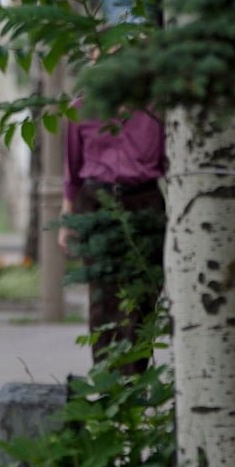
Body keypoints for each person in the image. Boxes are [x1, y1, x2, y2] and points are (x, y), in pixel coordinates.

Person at [58, 106, 166, 375]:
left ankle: (134, 380)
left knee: (143, 294)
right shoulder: (80, 109)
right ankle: (107, 381)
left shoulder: (155, 110)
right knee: (102, 296)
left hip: (143, 201)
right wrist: (67, 218)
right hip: (96, 203)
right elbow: (72, 169)